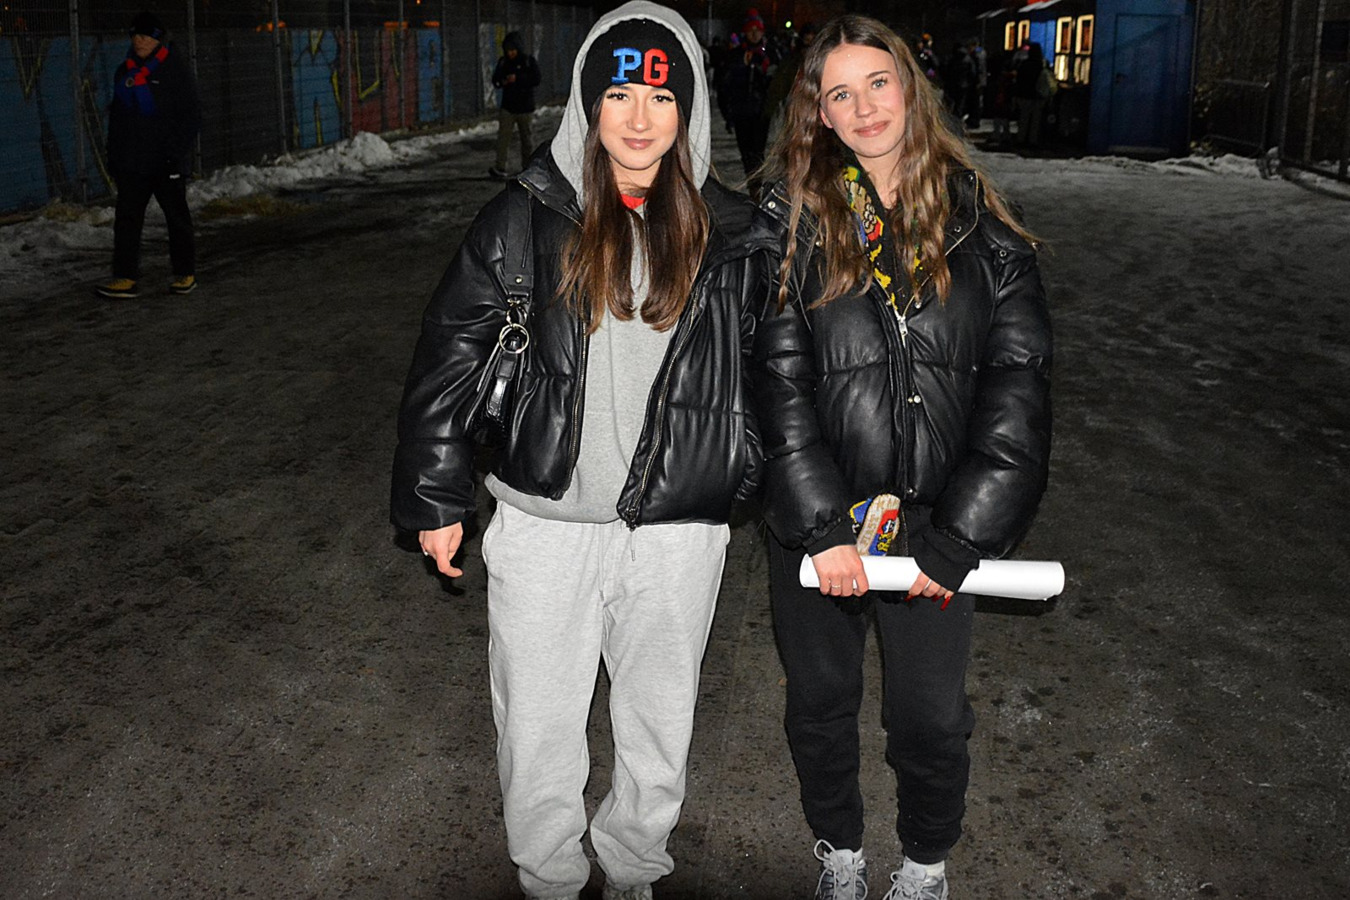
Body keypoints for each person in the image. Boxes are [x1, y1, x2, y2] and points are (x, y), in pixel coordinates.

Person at [391, 3, 765, 898]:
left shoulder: (735, 232)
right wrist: (436, 498)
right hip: (546, 522)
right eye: (620, 94)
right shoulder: (522, 218)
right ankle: (550, 877)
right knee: (537, 723)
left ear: (689, 111)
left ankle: (634, 866)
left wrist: (783, 485)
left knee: (658, 723)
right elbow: (450, 355)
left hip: (677, 530)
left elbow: (782, 375)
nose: (639, 118)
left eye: (662, 98)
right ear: (588, 104)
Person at [750, 14, 1052, 900]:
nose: (865, 107)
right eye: (840, 93)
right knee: (820, 702)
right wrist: (819, 528)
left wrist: (961, 537)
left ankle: (924, 864)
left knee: (928, 716)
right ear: (820, 115)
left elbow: (1019, 390)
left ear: (909, 87)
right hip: (822, 519)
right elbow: (776, 383)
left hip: (934, 524)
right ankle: (839, 854)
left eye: (877, 82)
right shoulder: (792, 222)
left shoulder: (982, 220)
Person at [96, 11, 200, 300]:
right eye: (135, 36)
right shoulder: (125, 71)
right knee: (127, 220)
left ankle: (185, 273)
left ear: (157, 39)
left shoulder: (175, 69)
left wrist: (174, 152)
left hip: (166, 161)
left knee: (177, 218)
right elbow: (118, 118)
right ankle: (124, 277)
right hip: (133, 161)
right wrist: (114, 155)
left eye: (145, 36)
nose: (138, 41)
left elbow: (191, 115)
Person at [718, 8, 773, 190]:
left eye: (758, 30)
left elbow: (776, 83)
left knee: (758, 153)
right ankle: (753, 186)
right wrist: (728, 114)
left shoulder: (769, 53)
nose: (754, 34)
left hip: (761, 112)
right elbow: (725, 84)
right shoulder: (736, 55)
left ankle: (757, 187)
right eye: (751, 30)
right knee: (747, 153)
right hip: (741, 111)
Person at [489, 30, 541, 179]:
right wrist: (503, 81)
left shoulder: (528, 61)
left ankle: (527, 167)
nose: (510, 53)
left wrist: (518, 78)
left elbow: (536, 79)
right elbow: (496, 80)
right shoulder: (504, 62)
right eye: (508, 50)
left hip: (525, 108)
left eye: (513, 50)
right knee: (503, 138)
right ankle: (500, 166)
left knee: (526, 140)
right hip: (508, 107)